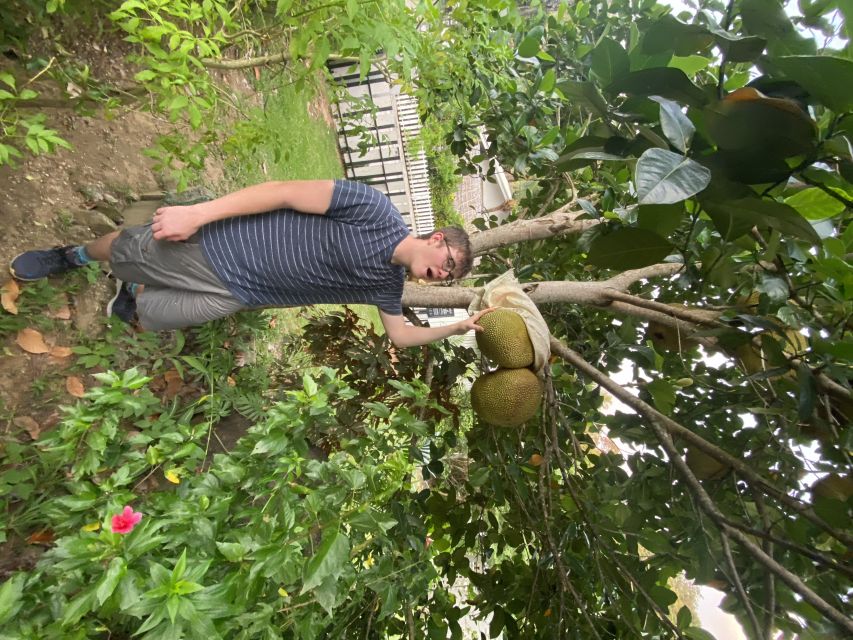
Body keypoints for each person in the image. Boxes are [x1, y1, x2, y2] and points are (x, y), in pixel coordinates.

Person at [10, 179, 491, 347]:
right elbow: (282, 192)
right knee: (126, 249)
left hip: (238, 295)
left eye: (448, 275)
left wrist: (458, 326)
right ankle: (71, 256)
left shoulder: (387, 288)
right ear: (435, 238)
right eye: (447, 261)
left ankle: (130, 292)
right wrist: (199, 214)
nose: (441, 273)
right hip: (222, 248)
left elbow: (401, 335)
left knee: (150, 316)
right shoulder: (373, 207)